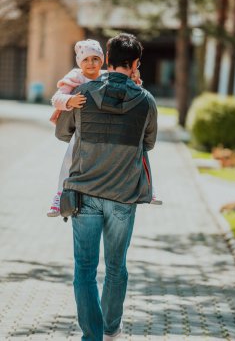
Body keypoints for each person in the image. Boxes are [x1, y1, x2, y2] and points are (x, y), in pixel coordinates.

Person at [55, 32, 158, 341]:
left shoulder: (82, 93)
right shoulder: (146, 100)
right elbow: (148, 144)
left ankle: (93, 336)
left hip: (83, 194)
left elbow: (63, 134)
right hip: (123, 197)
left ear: (107, 61)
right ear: (136, 63)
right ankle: (111, 329)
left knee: (84, 269)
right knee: (116, 266)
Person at [48, 40, 161, 217]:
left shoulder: (101, 79)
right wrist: (69, 101)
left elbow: (62, 133)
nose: (90, 64)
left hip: (85, 179)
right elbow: (57, 98)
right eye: (85, 60)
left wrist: (135, 78)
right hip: (123, 188)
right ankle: (59, 195)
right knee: (69, 159)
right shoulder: (76, 78)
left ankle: (149, 187)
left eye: (95, 59)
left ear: (104, 60)